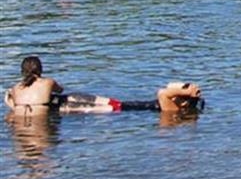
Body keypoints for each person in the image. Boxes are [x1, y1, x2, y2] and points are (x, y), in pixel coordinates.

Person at [5, 56, 203, 116]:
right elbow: (164, 92)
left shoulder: (171, 109)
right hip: (119, 107)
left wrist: (186, 91)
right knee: (65, 102)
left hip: (117, 109)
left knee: (67, 103)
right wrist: (187, 92)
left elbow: (163, 93)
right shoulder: (46, 82)